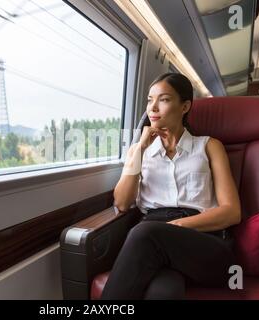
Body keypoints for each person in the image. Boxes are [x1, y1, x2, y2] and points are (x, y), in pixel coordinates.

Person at [101, 73, 241, 300]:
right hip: (154, 244)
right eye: (149, 100)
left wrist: (176, 226)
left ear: (185, 106)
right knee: (163, 293)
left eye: (163, 100)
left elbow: (232, 212)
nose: (152, 108)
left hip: (203, 241)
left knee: (145, 232)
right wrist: (139, 150)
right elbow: (123, 203)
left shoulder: (209, 146)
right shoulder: (139, 152)